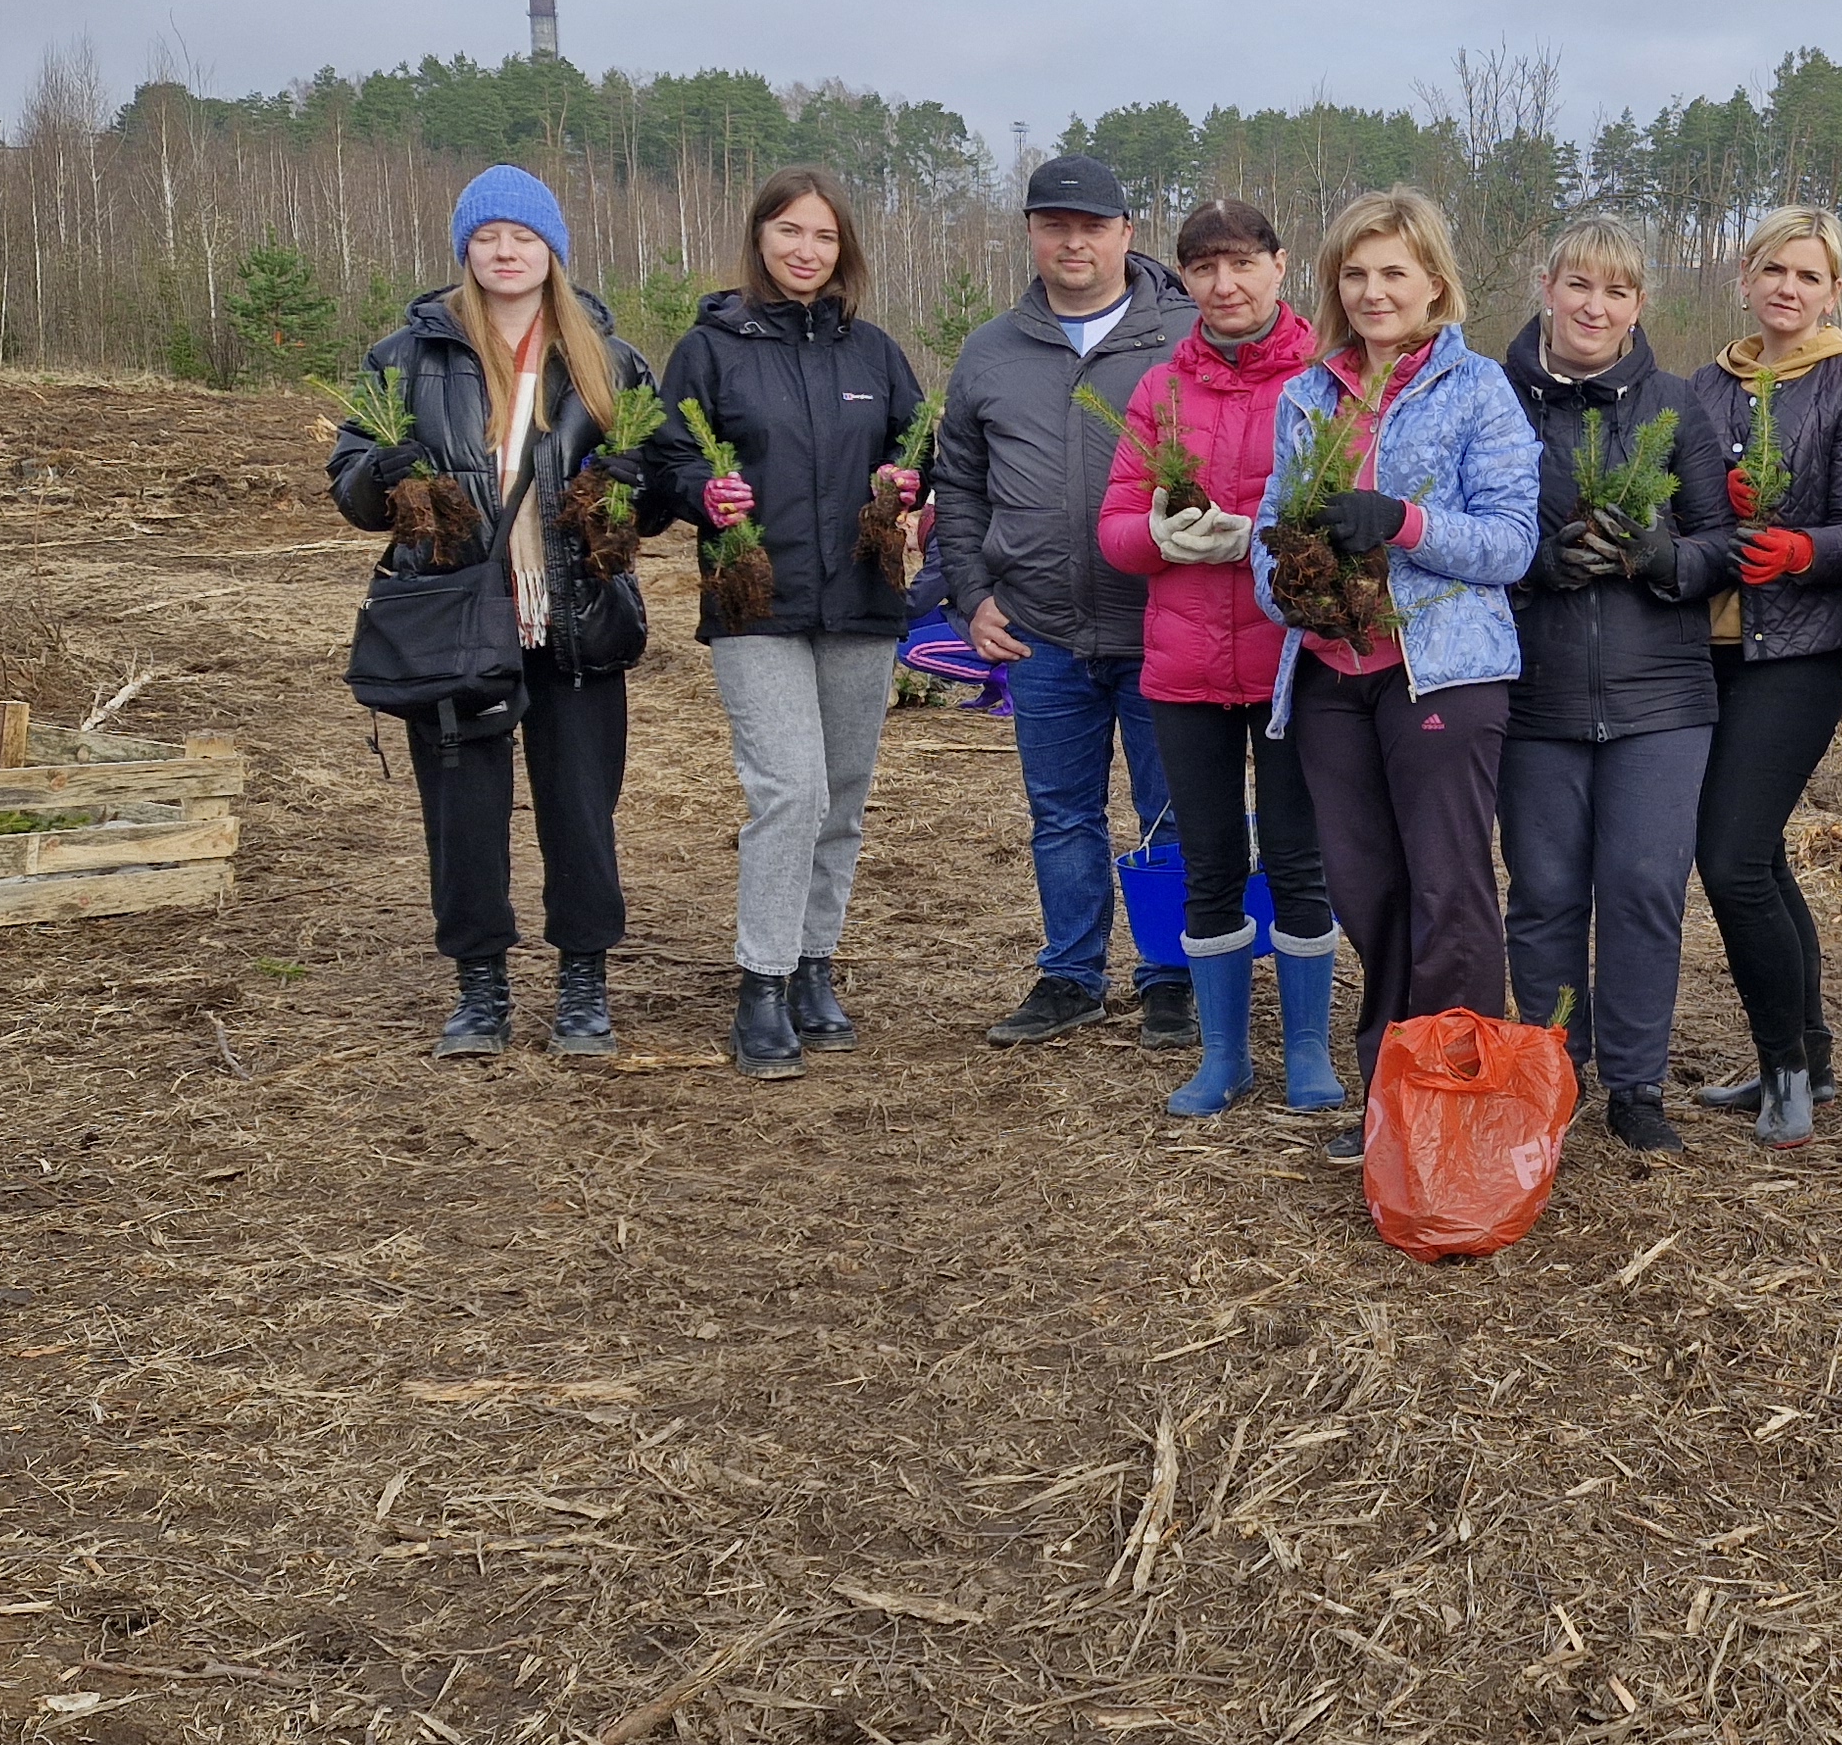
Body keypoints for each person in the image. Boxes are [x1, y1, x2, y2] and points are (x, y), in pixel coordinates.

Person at [327, 164, 670, 1059]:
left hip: (576, 617)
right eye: (487, 237)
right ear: (464, 250)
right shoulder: (406, 358)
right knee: (464, 817)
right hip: (455, 620)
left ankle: (584, 986)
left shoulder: (607, 358)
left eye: (523, 237)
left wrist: (641, 485)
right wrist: (376, 475)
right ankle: (479, 990)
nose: (505, 252)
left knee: (581, 812)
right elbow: (352, 487)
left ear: (552, 250)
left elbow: (660, 489)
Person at [1255, 189, 1541, 1165]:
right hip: (1331, 677)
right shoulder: (1307, 394)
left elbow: (1511, 541)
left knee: (1448, 893)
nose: (1373, 291)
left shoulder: (1478, 389)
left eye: (1393, 272)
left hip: (1441, 677)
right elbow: (1270, 526)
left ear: (1433, 283)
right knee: (1366, 891)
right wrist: (1283, 587)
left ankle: (1456, 1106)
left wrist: (1404, 521)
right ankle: (1391, 1094)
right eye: (1355, 273)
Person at [654, 168, 929, 1079]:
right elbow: (666, 463)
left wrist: (905, 481)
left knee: (841, 795)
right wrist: (701, 493)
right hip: (756, 601)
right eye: (789, 231)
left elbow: (916, 444)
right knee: (791, 791)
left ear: (843, 247)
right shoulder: (711, 349)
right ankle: (762, 984)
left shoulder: (874, 353)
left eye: (823, 235)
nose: (806, 251)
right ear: (760, 237)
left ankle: (815, 966)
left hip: (860, 598)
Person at [926, 154, 1203, 1049]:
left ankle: (1172, 974)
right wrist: (971, 594)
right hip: (1040, 630)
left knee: (1170, 811)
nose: (1072, 242)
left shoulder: (1185, 337)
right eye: (1054, 226)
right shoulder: (991, 351)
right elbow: (959, 484)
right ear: (1032, 234)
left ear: (1127, 234)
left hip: (1162, 627)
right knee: (1062, 814)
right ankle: (1071, 974)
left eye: (1092, 227)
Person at [1096, 199, 1344, 1119]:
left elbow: (1350, 511)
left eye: (1241, 263)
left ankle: (1308, 1051)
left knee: (1298, 858)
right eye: (1203, 268)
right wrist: (1158, 537)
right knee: (1208, 861)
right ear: (1184, 279)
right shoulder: (1161, 390)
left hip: (1294, 662)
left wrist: (1266, 538)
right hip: (1186, 670)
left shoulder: (1326, 379)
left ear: (1280, 265)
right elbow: (1116, 525)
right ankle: (1224, 1054)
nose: (1224, 284)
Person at [1497, 214, 1739, 1155]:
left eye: (1618, 290)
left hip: (1661, 698)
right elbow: (1466, 529)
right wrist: (1535, 565)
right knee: (1545, 890)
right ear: (1547, 287)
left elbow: (1723, 545)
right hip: (1534, 691)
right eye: (1579, 285)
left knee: (1642, 886)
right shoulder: (1496, 397)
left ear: (1639, 305)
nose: (1595, 307)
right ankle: (1554, 1065)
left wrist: (1665, 557)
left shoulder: (1675, 405)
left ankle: (1636, 1085)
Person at [1682, 207, 1842, 1147]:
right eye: (1774, 270)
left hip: (1799, 651)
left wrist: (1804, 548)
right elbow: (1680, 509)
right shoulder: (1704, 386)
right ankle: (1808, 1054)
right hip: (1710, 650)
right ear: (1745, 277)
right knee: (1760, 855)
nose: (1788, 288)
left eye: (1809, 276)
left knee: (1731, 860)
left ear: (1833, 291)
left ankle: (1784, 1073)